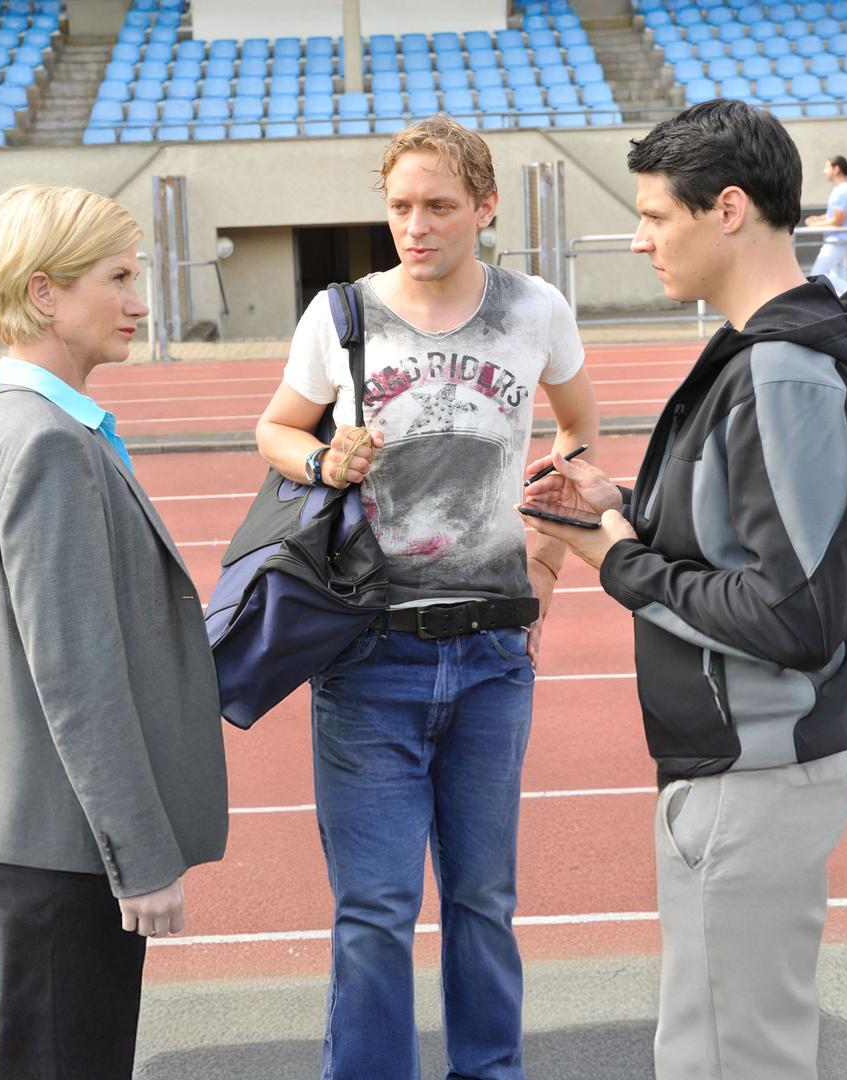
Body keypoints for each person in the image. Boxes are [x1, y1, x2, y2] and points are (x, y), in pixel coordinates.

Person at [520, 100, 847, 1080]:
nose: (639, 235)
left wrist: (617, 556)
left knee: (739, 1063)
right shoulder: (768, 355)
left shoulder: (784, 371)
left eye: (656, 215)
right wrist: (623, 504)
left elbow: (790, 614)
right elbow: (749, 538)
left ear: (728, 209)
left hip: (756, 773)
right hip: (738, 769)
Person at [254, 116, 600, 1080]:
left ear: (486, 208)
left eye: (440, 206)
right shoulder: (342, 316)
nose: (417, 224)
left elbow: (579, 430)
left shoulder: (535, 310)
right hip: (368, 659)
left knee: (484, 900)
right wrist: (323, 456)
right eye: (401, 205)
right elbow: (276, 430)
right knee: (374, 911)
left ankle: (489, 1070)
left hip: (493, 659)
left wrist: (546, 562)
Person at [0, 183, 230, 1080]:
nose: (140, 303)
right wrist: (139, 857)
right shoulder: (47, 443)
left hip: (35, 838)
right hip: (64, 849)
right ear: (43, 294)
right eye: (116, 277)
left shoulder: (14, 422)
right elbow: (74, 675)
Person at [806, 154, 847, 293]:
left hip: (838, 242)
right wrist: (819, 219)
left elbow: (838, 221)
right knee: (838, 277)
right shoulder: (845, 188)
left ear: (836, 169)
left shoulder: (843, 191)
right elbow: (835, 215)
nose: (824, 171)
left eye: (826, 167)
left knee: (816, 275)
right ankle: (846, 306)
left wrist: (814, 226)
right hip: (842, 241)